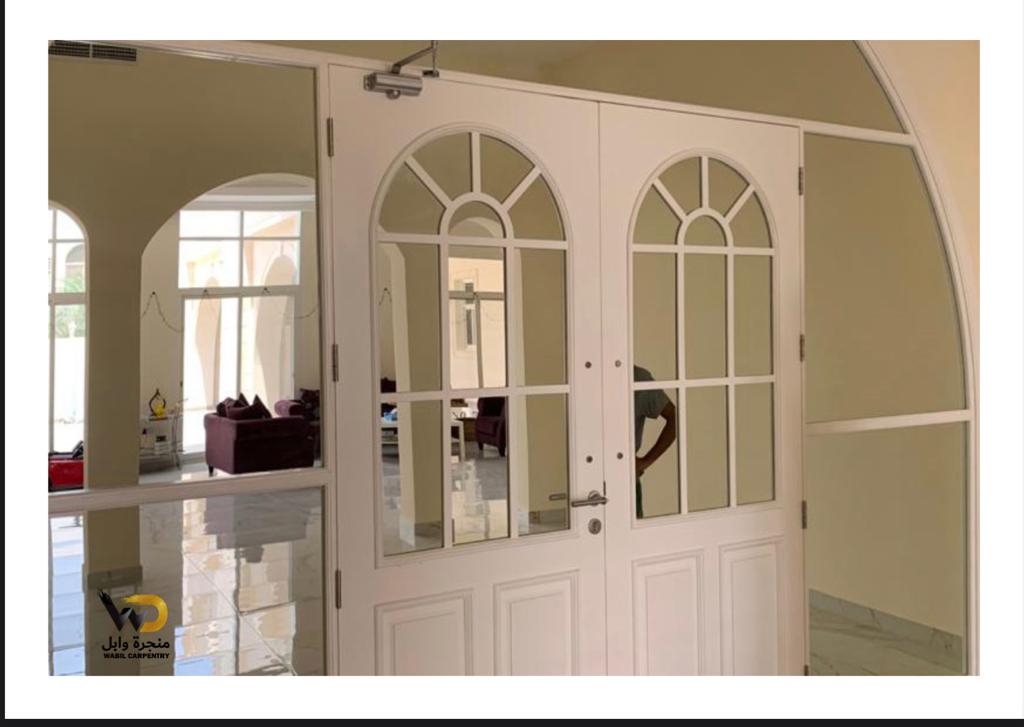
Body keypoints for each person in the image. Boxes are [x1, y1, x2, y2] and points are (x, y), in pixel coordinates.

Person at [633, 365, 677, 518]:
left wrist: (645, 462)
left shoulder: (637, 377)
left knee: (631, 532)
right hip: (582, 477)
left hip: (625, 479)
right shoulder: (581, 372)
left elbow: (674, 418)